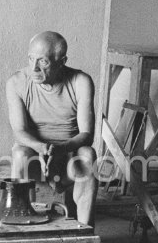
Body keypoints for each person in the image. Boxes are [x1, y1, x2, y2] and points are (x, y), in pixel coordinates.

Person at [5, 30, 97, 226]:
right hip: (36, 157)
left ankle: (84, 233)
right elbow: (19, 131)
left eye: (43, 62)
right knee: (20, 154)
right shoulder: (16, 82)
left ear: (61, 61)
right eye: (31, 59)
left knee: (87, 155)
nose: (34, 68)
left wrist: (60, 149)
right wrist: (41, 148)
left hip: (68, 156)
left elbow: (87, 135)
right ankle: (19, 224)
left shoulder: (81, 82)